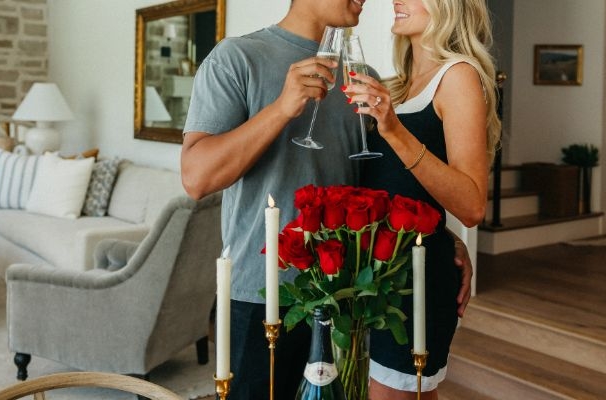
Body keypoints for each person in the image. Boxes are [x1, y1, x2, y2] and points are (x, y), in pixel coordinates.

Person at [181, 1, 476, 398]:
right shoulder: (237, 57)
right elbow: (197, 177)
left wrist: (442, 238)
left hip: (347, 302)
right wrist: (282, 108)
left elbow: (381, 182)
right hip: (262, 296)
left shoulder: (363, 78)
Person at [343, 0, 501, 398]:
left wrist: (393, 129)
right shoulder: (395, 84)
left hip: (414, 284)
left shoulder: (459, 76)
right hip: (372, 277)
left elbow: (472, 205)